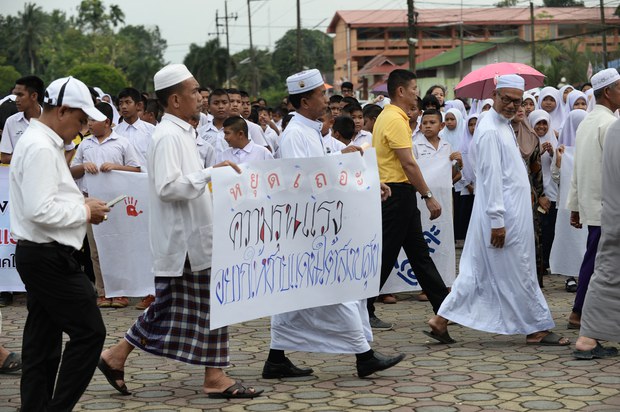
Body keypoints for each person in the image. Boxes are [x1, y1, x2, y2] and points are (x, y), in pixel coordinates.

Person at [98, 64, 262, 399]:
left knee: (180, 306)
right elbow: (169, 187)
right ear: (175, 99)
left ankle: (116, 355)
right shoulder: (168, 136)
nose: (201, 97)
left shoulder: (183, 132)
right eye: (194, 91)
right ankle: (213, 376)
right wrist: (209, 174)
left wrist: (209, 178)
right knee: (206, 305)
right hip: (184, 242)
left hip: (193, 237)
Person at [264, 68, 405, 380]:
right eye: (319, 95)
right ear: (304, 101)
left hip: (318, 226)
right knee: (338, 291)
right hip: (309, 229)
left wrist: (362, 176)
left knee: (293, 297)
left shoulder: (311, 130)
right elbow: (304, 183)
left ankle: (275, 359)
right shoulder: (295, 135)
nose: (325, 100)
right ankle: (363, 356)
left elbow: (325, 167)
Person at [437, 74, 569, 346]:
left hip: (510, 214)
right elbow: (491, 178)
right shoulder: (488, 130)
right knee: (520, 269)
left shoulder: (504, 125)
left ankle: (439, 321)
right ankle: (536, 327)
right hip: (504, 217)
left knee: (478, 270)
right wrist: (497, 220)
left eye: (517, 101)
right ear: (495, 95)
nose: (511, 105)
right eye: (506, 99)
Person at [10, 76, 110, 411]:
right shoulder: (40, 146)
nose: (82, 129)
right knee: (90, 333)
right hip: (48, 255)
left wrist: (82, 209)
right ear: (63, 111)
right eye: (82, 121)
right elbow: (40, 209)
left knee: (42, 345)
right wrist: (84, 210)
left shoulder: (43, 142)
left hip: (42, 254)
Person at [371, 69, 453, 342]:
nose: (418, 93)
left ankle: (444, 310)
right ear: (401, 91)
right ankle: (359, 309)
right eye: (415, 88)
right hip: (395, 194)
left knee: (419, 256)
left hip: (399, 195)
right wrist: (428, 195)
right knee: (385, 257)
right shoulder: (394, 119)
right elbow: (408, 163)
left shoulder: (392, 117)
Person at [70, 102, 142, 309]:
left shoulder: (122, 143)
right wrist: (83, 166)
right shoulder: (85, 144)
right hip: (91, 203)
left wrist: (116, 167)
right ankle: (104, 292)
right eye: (89, 120)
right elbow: (71, 172)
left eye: (94, 120)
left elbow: (136, 170)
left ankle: (121, 292)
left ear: (107, 122)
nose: (90, 124)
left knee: (119, 247)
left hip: (118, 204)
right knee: (96, 250)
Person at [566, 68, 620, 329]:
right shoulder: (609, 124)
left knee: (596, 259)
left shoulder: (588, 121)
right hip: (608, 207)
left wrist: (575, 206)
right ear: (608, 92)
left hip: (593, 204)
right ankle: (579, 312)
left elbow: (577, 168)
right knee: (600, 262)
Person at [572, 117, 620, 360]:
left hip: (612, 214)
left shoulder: (614, 128)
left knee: (608, 273)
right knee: (609, 274)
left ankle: (588, 337)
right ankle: (587, 338)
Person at [0, 76, 45, 165]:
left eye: (20, 95)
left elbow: (69, 150)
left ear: (34, 96)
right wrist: (33, 157)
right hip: (20, 178)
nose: (16, 100)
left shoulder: (51, 121)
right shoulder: (11, 122)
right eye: (15, 95)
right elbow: (5, 157)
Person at [115, 87, 156, 170]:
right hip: (121, 180)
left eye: (128, 102)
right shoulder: (114, 132)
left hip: (145, 180)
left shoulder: (152, 131)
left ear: (138, 105)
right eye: (121, 103)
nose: (123, 107)